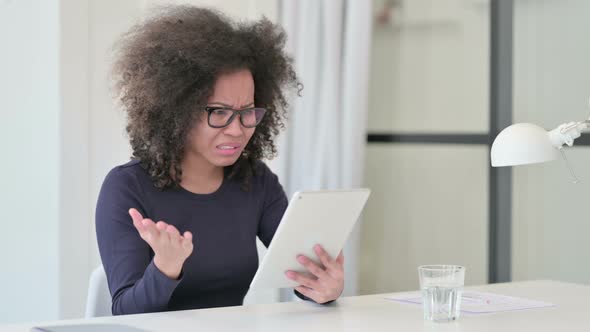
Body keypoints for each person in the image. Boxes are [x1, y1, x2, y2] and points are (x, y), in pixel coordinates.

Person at [95, 6, 345, 315]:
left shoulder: (256, 181)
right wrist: (165, 269)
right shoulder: (127, 187)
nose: (238, 130)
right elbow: (124, 311)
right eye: (220, 112)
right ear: (178, 112)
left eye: (247, 112)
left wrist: (324, 289)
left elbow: (300, 273)